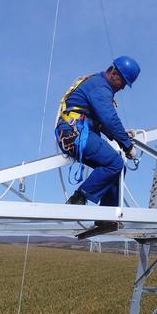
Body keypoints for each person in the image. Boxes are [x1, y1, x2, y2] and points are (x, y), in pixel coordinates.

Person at [55, 56, 140, 209]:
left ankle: (107, 215)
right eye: (123, 82)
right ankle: (79, 198)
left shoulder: (97, 84)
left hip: (76, 132)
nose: (122, 88)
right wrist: (127, 146)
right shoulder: (100, 87)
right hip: (74, 132)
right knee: (115, 163)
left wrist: (121, 134)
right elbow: (110, 119)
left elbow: (103, 122)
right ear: (114, 74)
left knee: (118, 170)